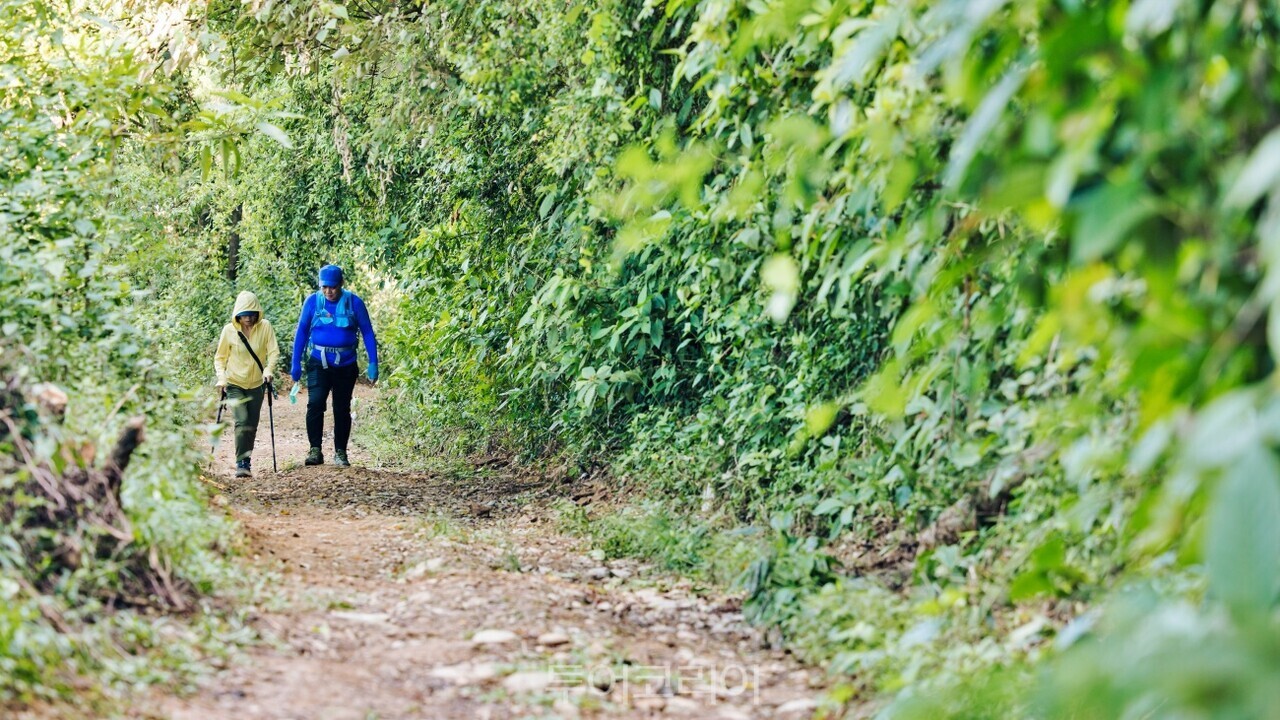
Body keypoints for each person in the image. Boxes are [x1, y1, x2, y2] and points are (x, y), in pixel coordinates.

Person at [290, 264, 379, 467]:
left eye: (333, 287)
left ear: (341, 284)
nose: (329, 291)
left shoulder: (354, 303)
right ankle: (315, 450)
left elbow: (367, 332)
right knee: (315, 404)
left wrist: (373, 362)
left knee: (341, 408)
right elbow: (302, 331)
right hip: (318, 362)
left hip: (346, 364)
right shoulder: (312, 302)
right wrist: (295, 362)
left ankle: (340, 452)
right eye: (325, 287)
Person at [214, 291, 280, 478]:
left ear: (258, 313)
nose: (249, 318)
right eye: (244, 314)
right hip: (234, 383)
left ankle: (246, 460)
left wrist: (269, 370)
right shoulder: (229, 330)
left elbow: (273, 352)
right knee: (242, 421)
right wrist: (221, 378)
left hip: (257, 384)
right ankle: (241, 463)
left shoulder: (265, 327)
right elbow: (220, 358)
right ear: (237, 315)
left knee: (251, 424)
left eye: (252, 314)